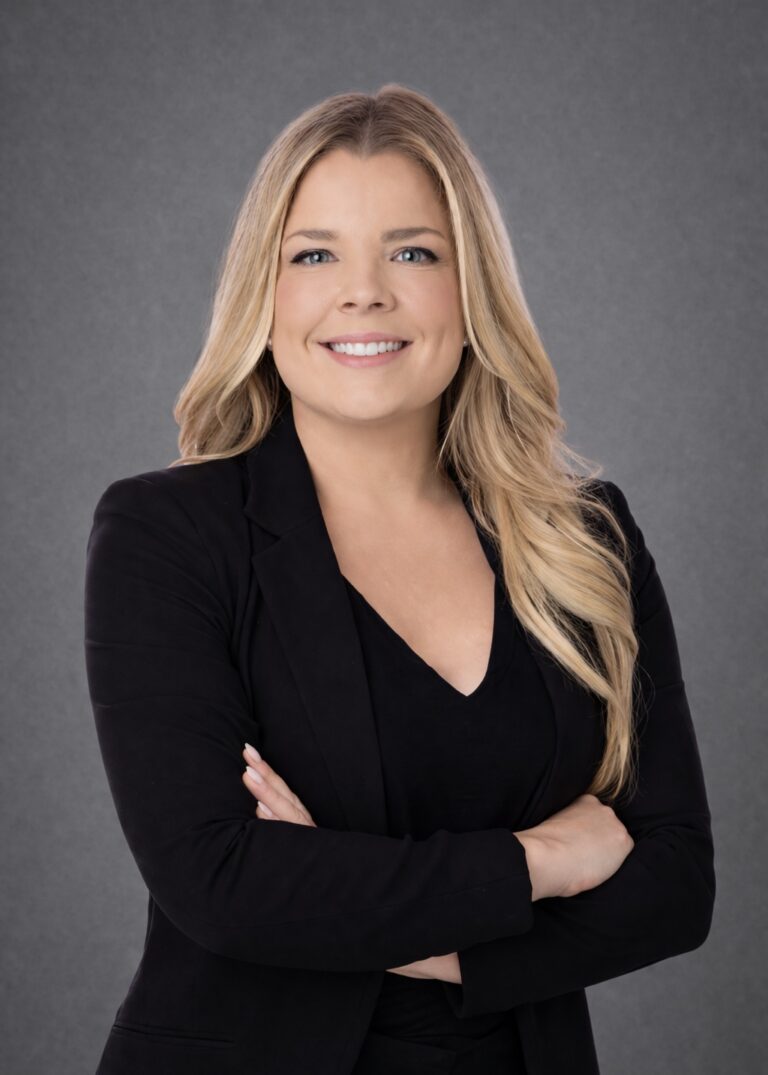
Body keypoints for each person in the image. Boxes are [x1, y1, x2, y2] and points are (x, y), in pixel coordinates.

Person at [84, 84, 715, 1075]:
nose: (364, 291)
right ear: (267, 290)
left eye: (413, 252)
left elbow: (675, 883)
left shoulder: (585, 537)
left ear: (473, 292)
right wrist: (539, 861)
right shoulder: (169, 534)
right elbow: (223, 880)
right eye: (315, 253)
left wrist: (420, 939)